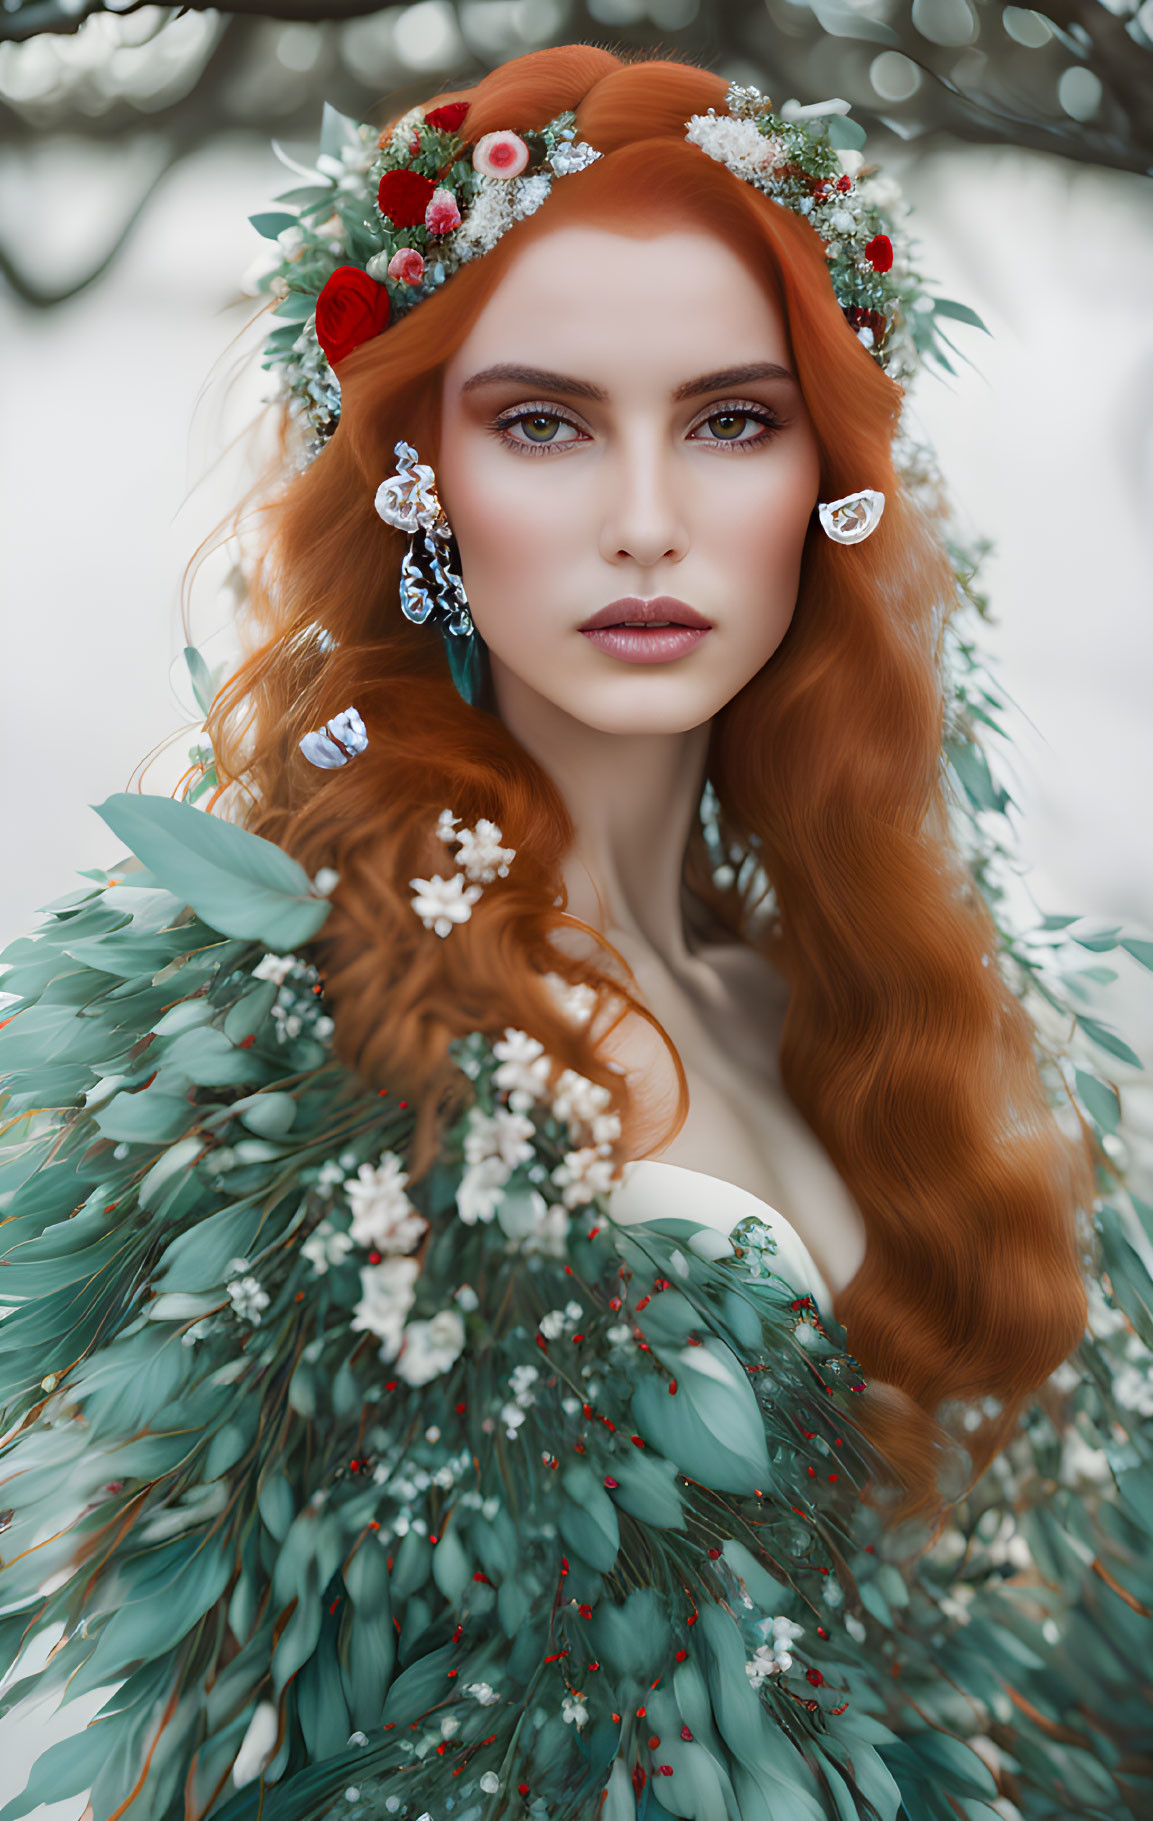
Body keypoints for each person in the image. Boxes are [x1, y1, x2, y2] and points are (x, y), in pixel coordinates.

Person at [0, 43, 1150, 1821]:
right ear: (419, 479)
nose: (643, 520)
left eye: (730, 420)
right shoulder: (300, 1050)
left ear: (823, 479)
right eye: (543, 422)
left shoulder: (866, 994)